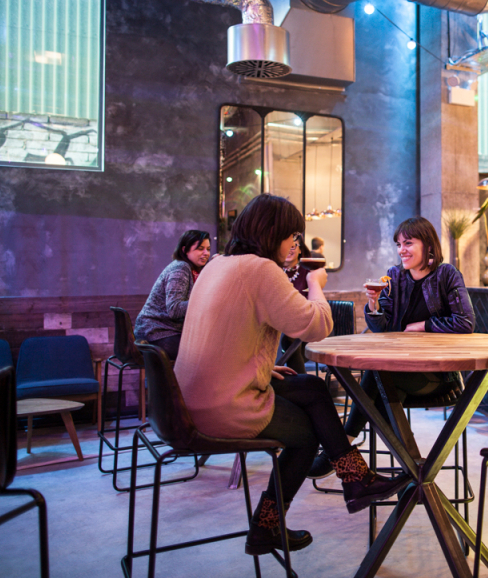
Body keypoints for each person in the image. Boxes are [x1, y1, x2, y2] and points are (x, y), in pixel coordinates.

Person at [173, 194, 409, 557]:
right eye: (292, 236)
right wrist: (316, 283)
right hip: (223, 406)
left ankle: (355, 479)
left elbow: (222, 333)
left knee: (311, 387)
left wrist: (262, 366)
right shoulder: (260, 269)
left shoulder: (218, 265)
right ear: (273, 234)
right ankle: (267, 526)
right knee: (307, 433)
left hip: (187, 402)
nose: (294, 244)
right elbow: (317, 326)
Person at [307, 216, 474, 479]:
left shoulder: (446, 274)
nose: (401, 250)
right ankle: (414, 470)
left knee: (377, 378)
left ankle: (341, 448)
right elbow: (382, 328)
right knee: (381, 385)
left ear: (428, 245)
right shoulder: (395, 277)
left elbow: (465, 322)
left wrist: (422, 326)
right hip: (397, 373)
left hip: (438, 376)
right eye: (398, 244)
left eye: (408, 243)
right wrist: (373, 304)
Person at [134, 230, 211, 360]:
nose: (206, 253)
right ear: (185, 250)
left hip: (163, 331)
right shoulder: (181, 268)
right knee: (206, 353)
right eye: (200, 248)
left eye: (208, 249)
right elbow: (174, 309)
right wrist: (205, 302)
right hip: (156, 333)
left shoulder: (192, 270)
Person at [279, 238, 315, 374]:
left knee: (289, 338)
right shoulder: (272, 271)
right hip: (278, 324)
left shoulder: (309, 272)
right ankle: (299, 380)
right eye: (285, 245)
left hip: (305, 324)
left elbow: (314, 301)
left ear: (300, 250)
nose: (289, 249)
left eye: (293, 246)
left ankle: (297, 380)